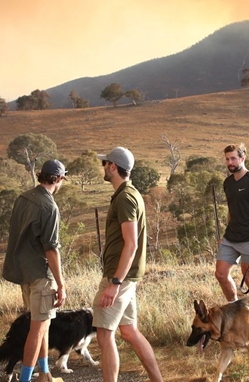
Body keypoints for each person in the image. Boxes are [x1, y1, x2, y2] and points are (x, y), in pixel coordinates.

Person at [93, 147, 163, 382]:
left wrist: (114, 283)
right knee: (129, 331)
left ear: (113, 167)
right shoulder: (129, 194)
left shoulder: (124, 197)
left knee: (104, 334)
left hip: (119, 276)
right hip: (127, 276)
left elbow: (131, 244)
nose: (103, 167)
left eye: (105, 164)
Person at [1, 159, 68, 382]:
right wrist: (61, 284)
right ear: (58, 179)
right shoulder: (50, 207)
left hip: (24, 274)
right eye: (62, 180)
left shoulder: (23, 198)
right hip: (41, 275)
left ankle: (45, 373)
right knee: (37, 329)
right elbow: (51, 249)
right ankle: (26, 379)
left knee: (43, 324)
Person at [215, 143, 249, 302]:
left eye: (233, 158)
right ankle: (234, 307)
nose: (229, 163)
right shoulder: (228, 183)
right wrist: (225, 235)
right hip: (230, 238)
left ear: (242, 158)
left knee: (248, 277)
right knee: (220, 274)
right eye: (227, 159)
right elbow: (231, 210)